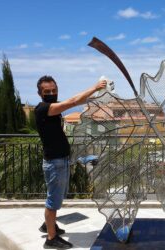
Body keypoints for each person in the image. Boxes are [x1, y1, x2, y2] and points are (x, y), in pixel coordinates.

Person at [35, 75, 107, 249]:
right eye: (47, 91)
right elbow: (74, 100)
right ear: (40, 93)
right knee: (53, 200)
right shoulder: (44, 108)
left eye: (54, 90)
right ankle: (51, 239)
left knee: (56, 197)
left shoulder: (53, 107)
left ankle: (48, 225)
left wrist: (93, 95)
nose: (51, 93)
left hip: (60, 160)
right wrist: (95, 87)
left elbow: (75, 100)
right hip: (54, 162)